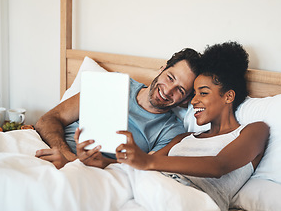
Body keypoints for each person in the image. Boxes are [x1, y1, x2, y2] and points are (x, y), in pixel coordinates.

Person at [75, 42, 270, 210]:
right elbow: (138, 164)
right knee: (85, 185)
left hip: (194, 200)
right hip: (152, 190)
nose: (193, 101)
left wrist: (147, 163)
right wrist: (102, 163)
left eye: (203, 93)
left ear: (228, 96)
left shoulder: (254, 130)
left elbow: (219, 165)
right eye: (193, 94)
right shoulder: (184, 137)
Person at [35, 48, 201, 169]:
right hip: (54, 150)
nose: (168, 90)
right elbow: (47, 120)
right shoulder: (112, 83)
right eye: (170, 78)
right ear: (162, 69)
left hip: (95, 173)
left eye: (180, 90)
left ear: (185, 100)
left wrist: (80, 164)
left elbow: (144, 169)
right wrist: (67, 155)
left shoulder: (171, 131)